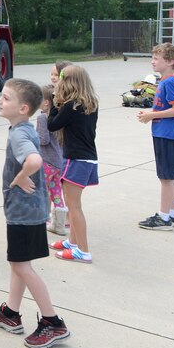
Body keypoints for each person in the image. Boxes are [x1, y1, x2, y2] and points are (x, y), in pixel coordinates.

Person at [0, 78, 71, 348]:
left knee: (22, 266)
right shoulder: (22, 127)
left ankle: (52, 322)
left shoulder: (19, 133)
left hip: (24, 212)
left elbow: (34, 160)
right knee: (17, 262)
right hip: (29, 210)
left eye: (6, 98)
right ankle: (11, 312)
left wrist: (21, 176)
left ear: (23, 108)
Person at [47, 65, 99, 263]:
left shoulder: (72, 105)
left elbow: (53, 124)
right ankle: (73, 242)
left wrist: (53, 99)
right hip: (87, 158)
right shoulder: (89, 103)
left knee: (74, 207)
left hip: (76, 159)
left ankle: (83, 251)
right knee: (73, 203)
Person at [136, 43, 174, 230]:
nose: (152, 61)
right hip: (165, 133)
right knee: (168, 177)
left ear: (170, 61)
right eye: (153, 57)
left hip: (168, 135)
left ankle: (164, 218)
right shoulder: (165, 81)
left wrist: (152, 115)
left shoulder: (170, 81)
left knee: (166, 178)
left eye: (157, 58)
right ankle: (171, 213)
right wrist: (151, 114)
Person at [38, 85, 68, 235]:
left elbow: (43, 140)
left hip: (46, 162)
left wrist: (31, 137)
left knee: (41, 191)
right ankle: (59, 224)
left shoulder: (42, 117)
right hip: (58, 162)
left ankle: (42, 219)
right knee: (56, 192)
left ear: (46, 103)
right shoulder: (58, 117)